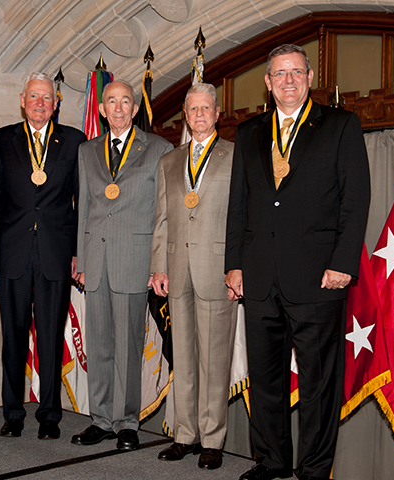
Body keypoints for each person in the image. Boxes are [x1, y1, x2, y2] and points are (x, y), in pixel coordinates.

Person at [225, 44, 370, 480]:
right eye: (279, 74)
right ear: (267, 83)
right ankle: (270, 460)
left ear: (309, 78)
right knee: (266, 379)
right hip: (260, 277)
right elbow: (239, 205)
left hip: (319, 277)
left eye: (296, 72)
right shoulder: (249, 132)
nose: (288, 80)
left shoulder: (340, 126)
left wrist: (344, 261)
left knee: (318, 385)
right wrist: (234, 264)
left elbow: (355, 199)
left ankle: (314, 469)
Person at [72, 80, 173, 451]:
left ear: (134, 109)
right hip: (95, 263)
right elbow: (83, 207)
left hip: (135, 261)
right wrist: (81, 259)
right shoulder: (87, 151)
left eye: (125, 101)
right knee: (99, 345)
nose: (118, 107)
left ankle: (128, 421)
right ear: (101, 109)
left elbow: (164, 213)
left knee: (128, 347)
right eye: (111, 101)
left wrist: (158, 263)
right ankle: (100, 420)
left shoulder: (159, 148)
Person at [0, 73, 86, 440]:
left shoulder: (74, 141)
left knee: (49, 337)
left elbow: (83, 202)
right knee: (12, 337)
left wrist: (77, 251)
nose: (40, 103)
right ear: (22, 99)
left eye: (47, 97)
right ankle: (13, 413)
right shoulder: (2, 139)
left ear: (56, 103)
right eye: (34, 96)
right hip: (11, 253)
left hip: (56, 254)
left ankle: (49, 415)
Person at [150, 83, 237, 470]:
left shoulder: (236, 156)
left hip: (216, 272)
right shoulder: (169, 161)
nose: (199, 115)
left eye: (206, 108)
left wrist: (238, 267)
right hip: (176, 271)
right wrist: (158, 266)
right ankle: (184, 434)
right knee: (182, 359)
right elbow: (162, 219)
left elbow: (241, 220)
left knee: (214, 361)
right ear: (184, 115)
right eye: (192, 109)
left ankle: (213, 439)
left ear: (218, 113)